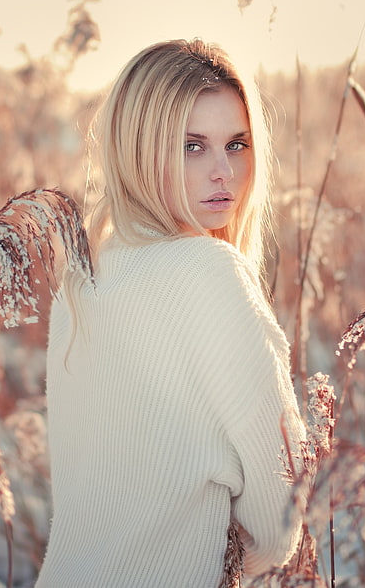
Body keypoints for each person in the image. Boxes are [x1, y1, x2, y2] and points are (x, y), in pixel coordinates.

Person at [37, 38, 306, 587]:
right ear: (140, 149)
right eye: (191, 146)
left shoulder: (81, 281)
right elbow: (282, 516)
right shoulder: (209, 273)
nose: (223, 172)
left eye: (236, 143)